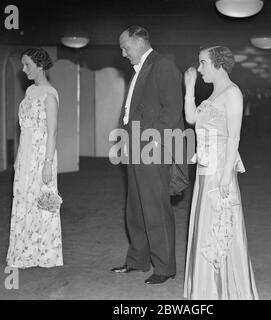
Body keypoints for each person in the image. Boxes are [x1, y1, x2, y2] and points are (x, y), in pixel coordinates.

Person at [111, 26, 186, 284]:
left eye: (126, 47)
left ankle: (165, 267)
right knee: (135, 208)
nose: (123, 53)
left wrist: (153, 144)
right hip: (133, 147)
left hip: (150, 150)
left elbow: (173, 110)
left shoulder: (162, 65)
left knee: (155, 209)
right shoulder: (139, 69)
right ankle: (137, 260)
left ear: (140, 41)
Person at [183, 46, 258, 299]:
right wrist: (190, 87)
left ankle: (224, 289)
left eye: (203, 63)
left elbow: (234, 136)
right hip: (204, 171)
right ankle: (205, 288)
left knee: (220, 228)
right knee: (204, 226)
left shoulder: (232, 93)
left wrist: (227, 175)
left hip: (219, 173)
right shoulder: (212, 95)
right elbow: (192, 118)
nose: (200, 68)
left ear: (217, 64)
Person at [6, 48, 63, 268]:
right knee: (23, 200)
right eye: (23, 64)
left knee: (43, 203)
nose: (23, 69)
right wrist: (18, 157)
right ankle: (25, 252)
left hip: (42, 156)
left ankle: (45, 253)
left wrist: (47, 164)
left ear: (40, 66)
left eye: (27, 65)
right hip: (26, 154)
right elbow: (24, 129)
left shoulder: (50, 94)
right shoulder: (30, 92)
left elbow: (53, 132)